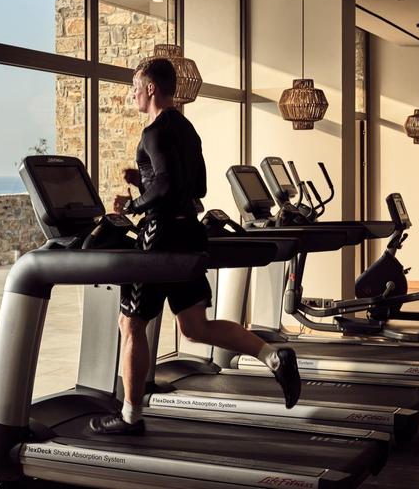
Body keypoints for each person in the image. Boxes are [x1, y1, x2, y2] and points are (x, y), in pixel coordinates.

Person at [90, 57, 301, 435]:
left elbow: (166, 185)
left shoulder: (153, 131)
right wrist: (143, 179)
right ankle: (273, 356)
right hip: (188, 232)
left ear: (151, 88)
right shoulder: (186, 129)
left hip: (160, 236)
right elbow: (195, 186)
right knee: (194, 326)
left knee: (131, 323)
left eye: (136, 88)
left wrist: (134, 205)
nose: (133, 95)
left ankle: (130, 417)